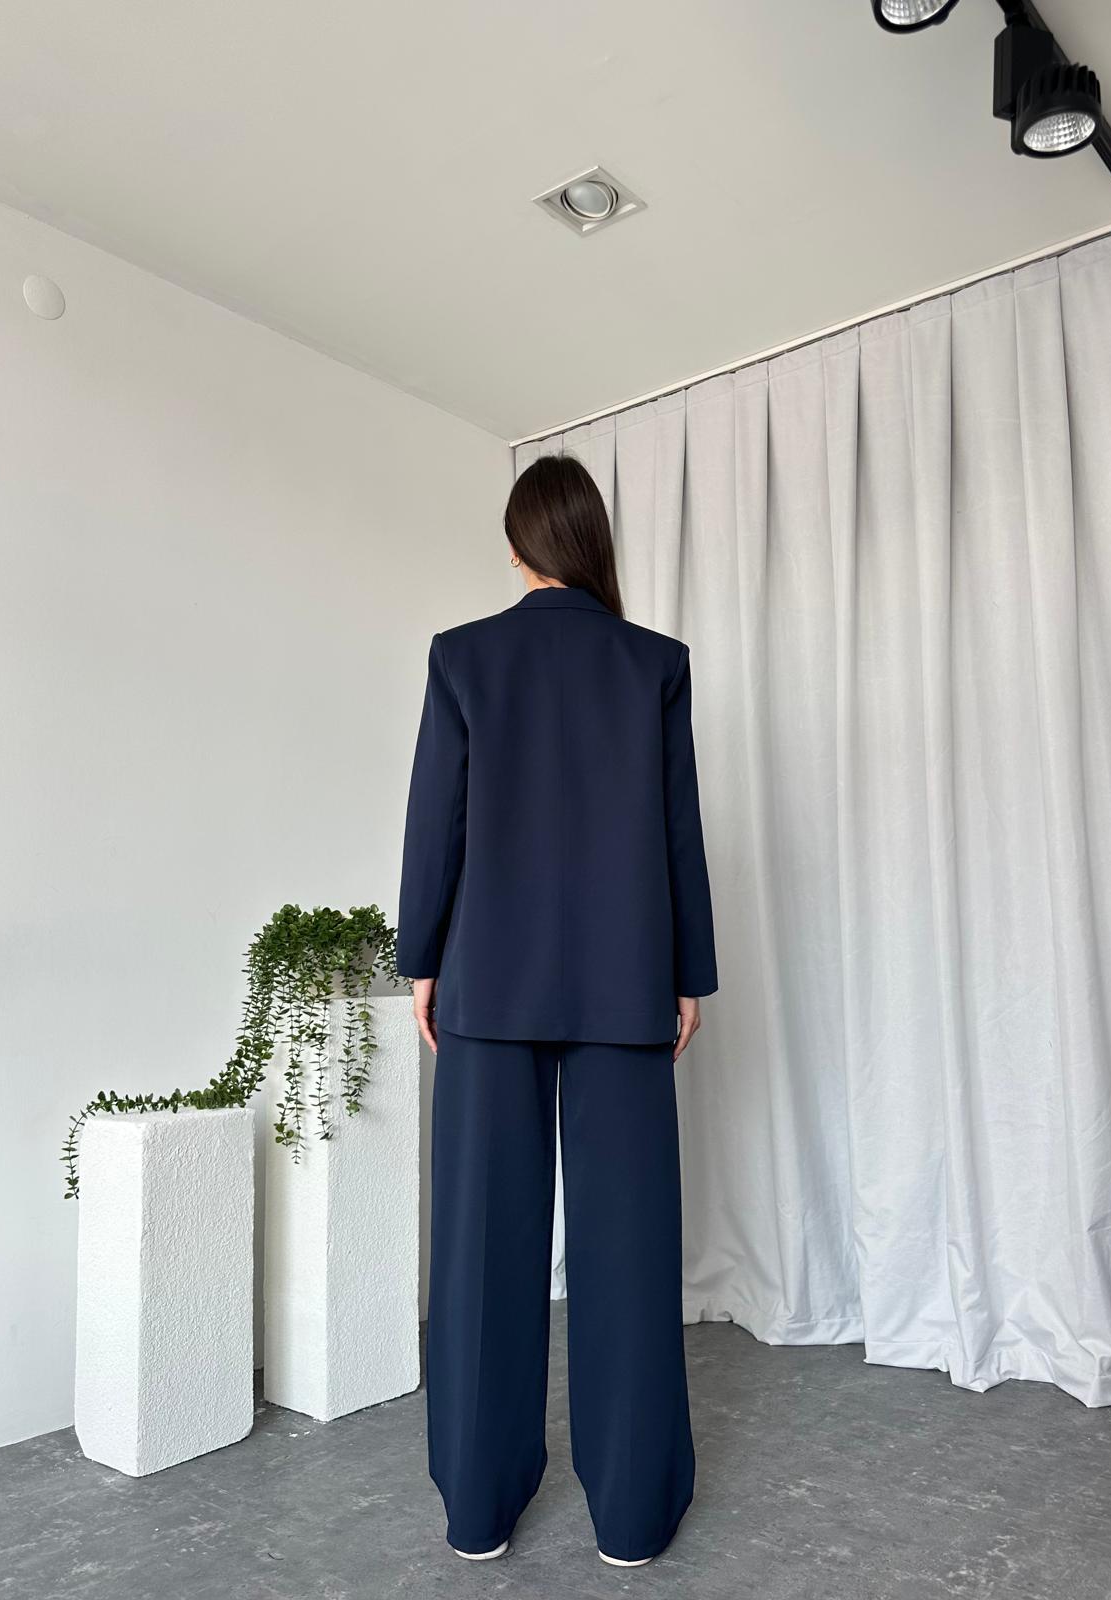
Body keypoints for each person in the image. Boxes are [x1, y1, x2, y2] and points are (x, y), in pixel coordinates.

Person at [396, 452, 718, 1568]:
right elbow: (678, 831)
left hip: (488, 984)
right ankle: (632, 1516)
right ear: (592, 543)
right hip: (626, 983)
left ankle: (478, 1509)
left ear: (517, 546)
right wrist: (687, 973)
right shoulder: (654, 663)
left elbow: (437, 821)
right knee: (629, 1248)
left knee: (483, 1247)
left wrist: (422, 959)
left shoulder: (463, 656)